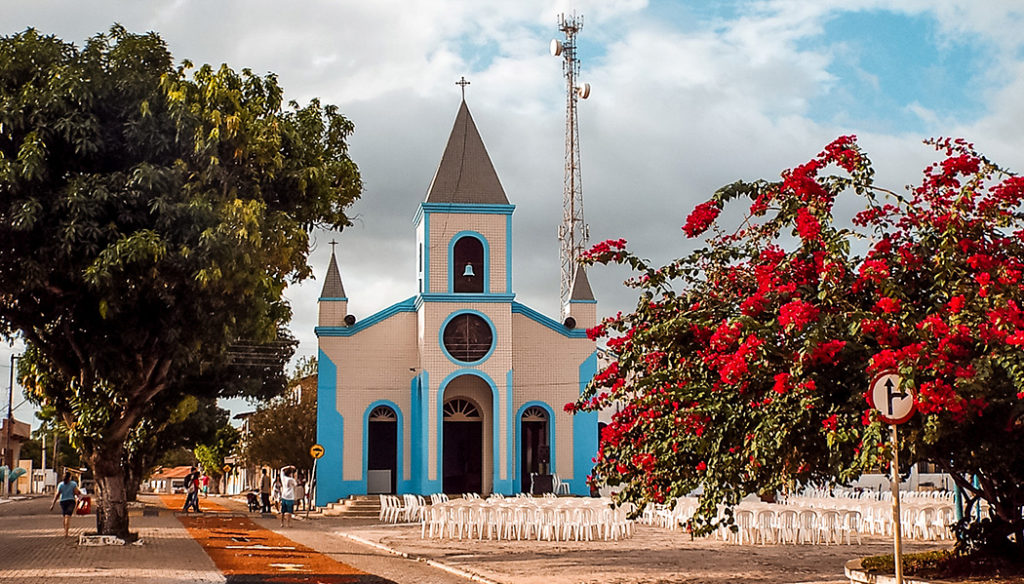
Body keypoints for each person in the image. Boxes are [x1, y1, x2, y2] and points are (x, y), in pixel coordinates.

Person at [49, 471, 81, 537]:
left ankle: (65, 530)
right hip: (71, 501)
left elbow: (57, 495)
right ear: (70, 477)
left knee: (65, 517)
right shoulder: (73, 484)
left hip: (63, 502)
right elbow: (77, 493)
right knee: (67, 517)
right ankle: (66, 532)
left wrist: (53, 504)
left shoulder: (60, 485)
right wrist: (80, 496)